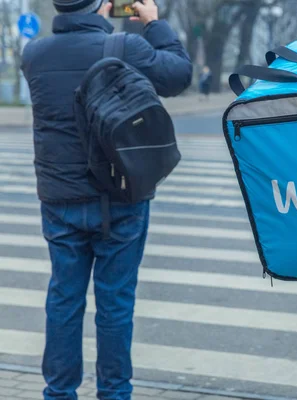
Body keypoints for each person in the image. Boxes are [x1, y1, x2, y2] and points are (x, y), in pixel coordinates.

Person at [20, 0, 192, 399]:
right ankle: (114, 394)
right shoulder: (125, 48)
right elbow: (178, 75)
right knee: (115, 304)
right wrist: (153, 24)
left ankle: (58, 392)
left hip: (60, 198)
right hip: (119, 196)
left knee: (64, 299)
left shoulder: (33, 54)